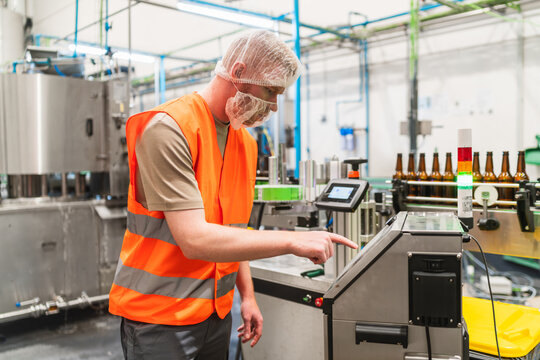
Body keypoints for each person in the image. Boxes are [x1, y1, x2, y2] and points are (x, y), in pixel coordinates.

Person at [109, 30, 357, 360]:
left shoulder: (245, 143)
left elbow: (233, 231)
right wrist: (291, 240)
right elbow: (194, 239)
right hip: (159, 318)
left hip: (216, 314)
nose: (273, 106)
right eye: (270, 91)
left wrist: (248, 297)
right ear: (238, 73)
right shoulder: (170, 128)